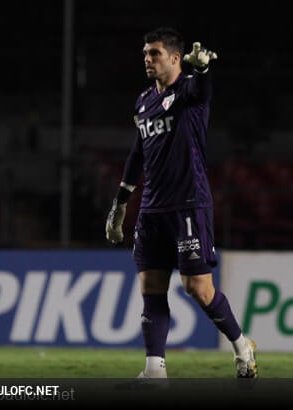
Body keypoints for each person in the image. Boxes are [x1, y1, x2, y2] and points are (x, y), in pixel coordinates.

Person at [105, 27, 257, 378]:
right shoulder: (144, 101)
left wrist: (203, 69)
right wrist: (121, 202)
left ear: (175, 58)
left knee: (197, 288)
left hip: (189, 203)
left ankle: (241, 346)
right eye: (145, 53)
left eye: (155, 53)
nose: (147, 58)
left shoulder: (188, 91)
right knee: (151, 287)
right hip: (152, 210)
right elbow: (138, 151)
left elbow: (202, 89)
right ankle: (154, 371)